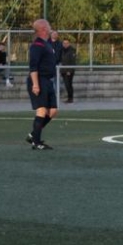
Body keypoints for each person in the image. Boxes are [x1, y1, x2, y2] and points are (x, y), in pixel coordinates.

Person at [26, 19, 59, 150]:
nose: (50, 27)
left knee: (53, 111)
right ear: (43, 28)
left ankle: (33, 135)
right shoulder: (37, 45)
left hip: (48, 81)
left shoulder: (47, 44)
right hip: (39, 80)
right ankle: (37, 142)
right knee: (41, 110)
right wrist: (35, 84)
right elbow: (33, 67)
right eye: (49, 25)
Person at [60, 38, 77, 103]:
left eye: (66, 43)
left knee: (68, 85)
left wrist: (69, 71)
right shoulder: (62, 50)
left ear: (69, 43)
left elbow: (73, 62)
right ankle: (69, 98)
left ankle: (70, 98)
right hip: (63, 71)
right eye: (64, 43)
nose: (65, 44)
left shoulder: (72, 50)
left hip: (69, 71)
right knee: (67, 85)